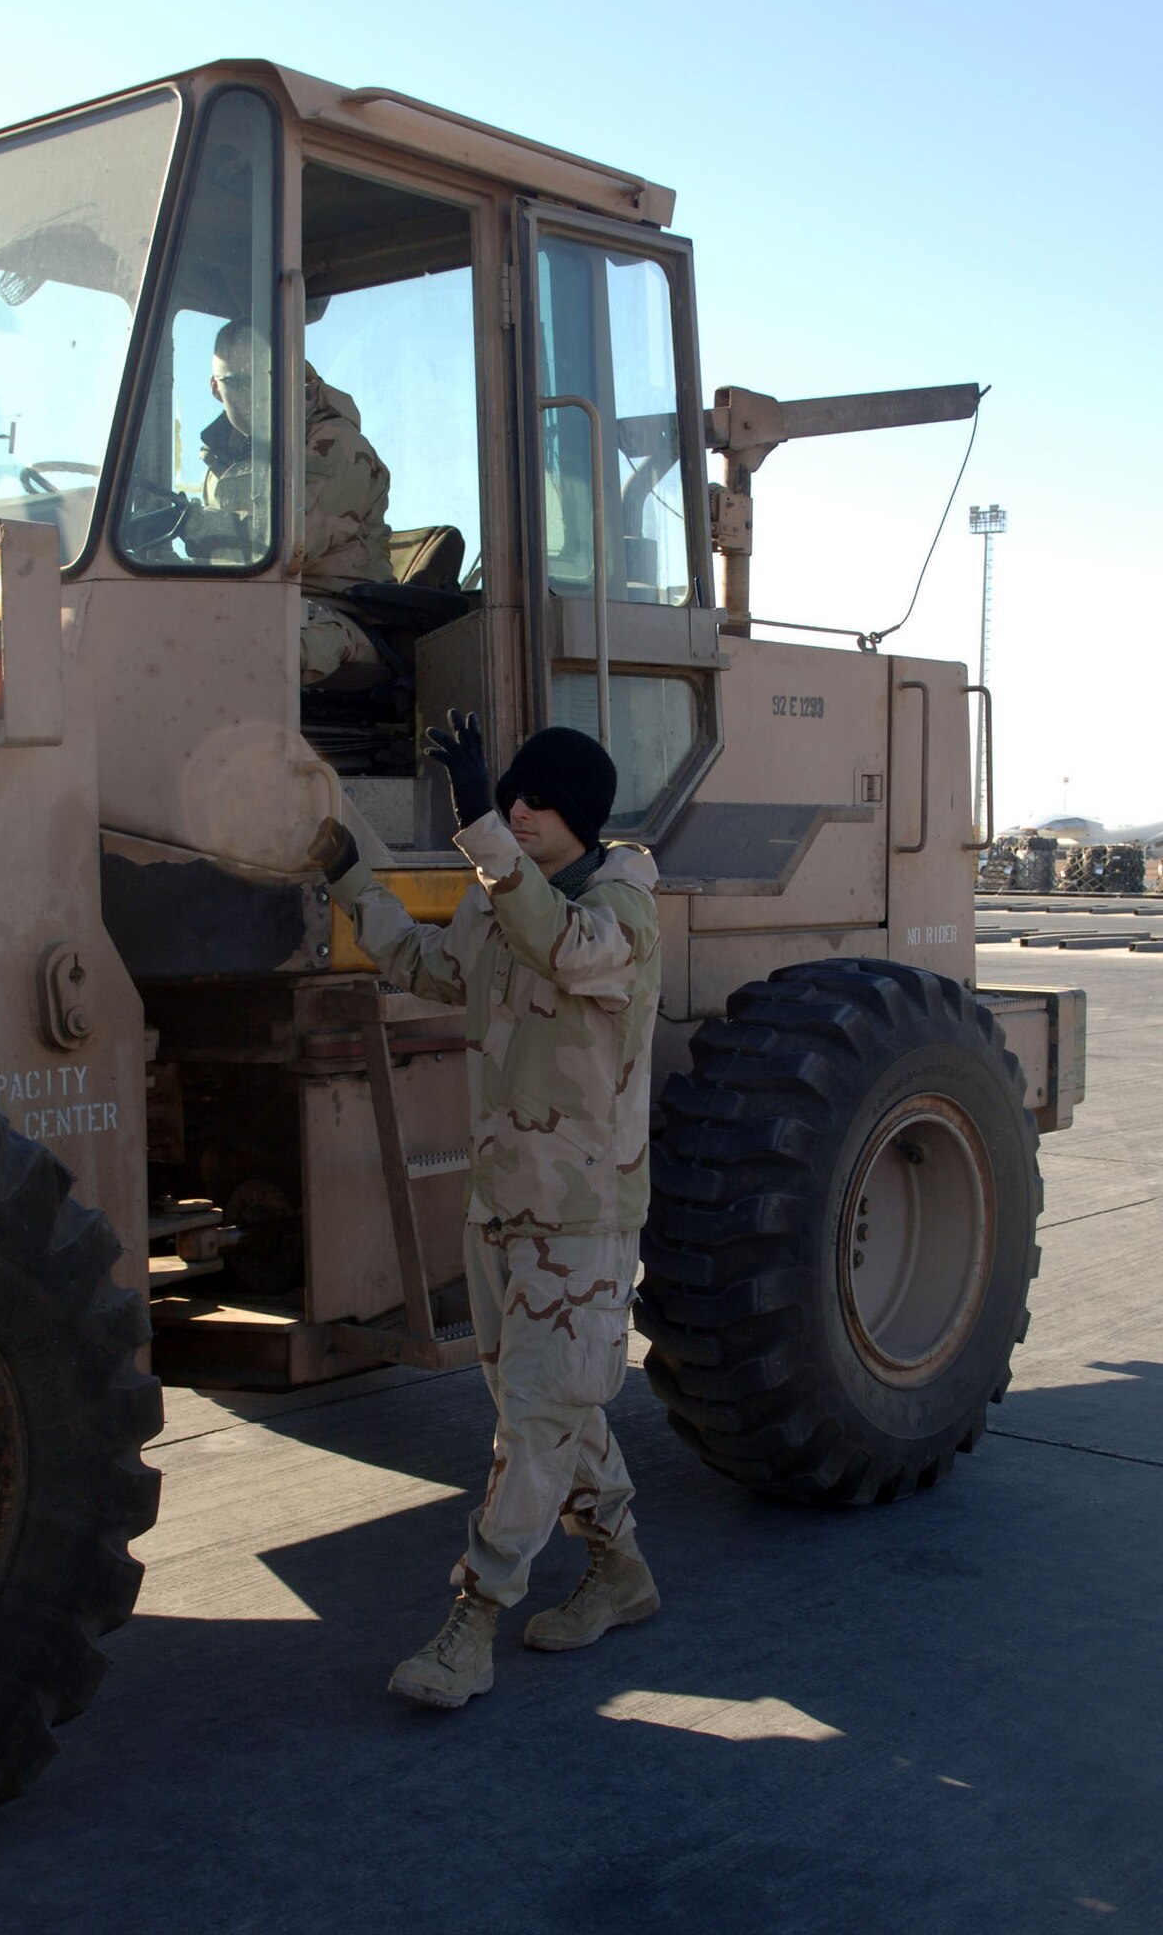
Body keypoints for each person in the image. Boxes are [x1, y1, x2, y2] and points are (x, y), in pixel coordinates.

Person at [307, 712, 662, 1709]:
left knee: (537, 1421)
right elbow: (430, 969)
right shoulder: (503, 899)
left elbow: (558, 943)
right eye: (509, 793)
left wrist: (481, 832)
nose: (516, 808)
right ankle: (619, 1570)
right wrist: (345, 873)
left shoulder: (619, 909)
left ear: (580, 816)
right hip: (504, 1203)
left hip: (582, 1215)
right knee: (543, 1408)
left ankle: (474, 1619)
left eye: (534, 798)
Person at [201, 324, 393, 686]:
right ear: (216, 389)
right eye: (239, 383)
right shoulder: (223, 462)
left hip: (344, 615)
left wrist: (201, 526)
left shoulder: (335, 444)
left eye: (265, 378)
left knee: (255, 646)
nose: (256, 395)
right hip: (260, 604)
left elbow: (293, 543)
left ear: (290, 373)